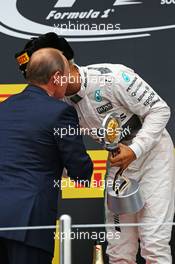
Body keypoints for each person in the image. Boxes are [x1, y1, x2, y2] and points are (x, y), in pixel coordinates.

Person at [15, 33, 175, 264]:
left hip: (153, 157)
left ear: (61, 65)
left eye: (44, 74)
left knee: (153, 243)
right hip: (119, 164)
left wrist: (136, 149)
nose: (41, 85)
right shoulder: (55, 104)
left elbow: (160, 110)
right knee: (119, 248)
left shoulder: (114, 78)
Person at [0, 47, 93, 264]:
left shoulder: (4, 108)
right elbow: (80, 171)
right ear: (56, 78)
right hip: (29, 224)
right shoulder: (60, 112)